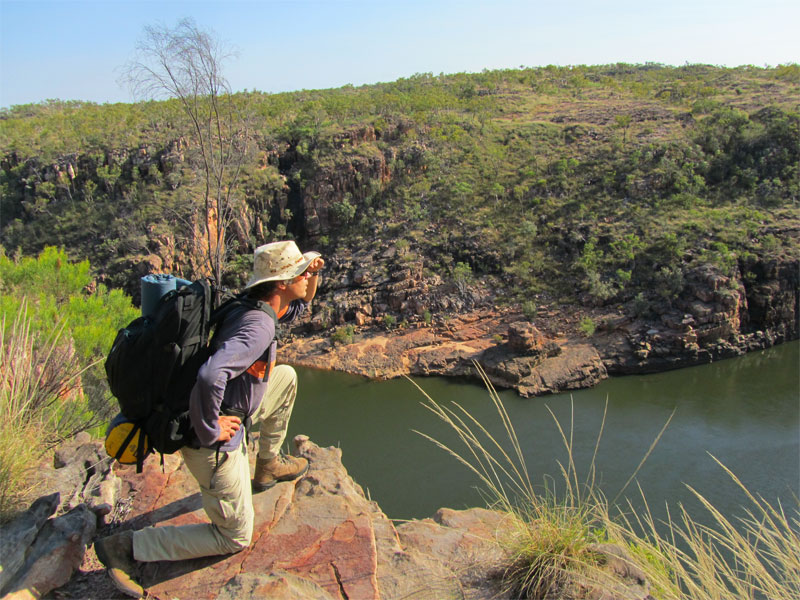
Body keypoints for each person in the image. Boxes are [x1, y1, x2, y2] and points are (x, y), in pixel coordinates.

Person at [95, 240, 324, 597]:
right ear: (282, 282)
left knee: (286, 378)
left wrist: (311, 274)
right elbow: (210, 376)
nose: (305, 278)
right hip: (212, 442)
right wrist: (210, 429)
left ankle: (267, 465)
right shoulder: (258, 326)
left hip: (239, 406)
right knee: (234, 536)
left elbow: (298, 306)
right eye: (300, 273)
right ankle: (129, 548)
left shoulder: (254, 304)